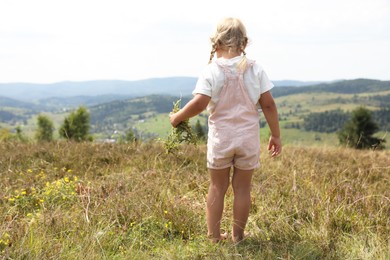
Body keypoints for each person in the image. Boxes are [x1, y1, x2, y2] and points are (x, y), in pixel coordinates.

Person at [169, 17, 281, 243]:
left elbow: (200, 103)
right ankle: (238, 236)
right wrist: (276, 135)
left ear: (216, 43)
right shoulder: (256, 69)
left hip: (222, 140)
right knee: (242, 189)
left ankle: (213, 236)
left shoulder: (212, 70)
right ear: (244, 43)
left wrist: (177, 117)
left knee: (217, 187)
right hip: (247, 140)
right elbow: (268, 104)